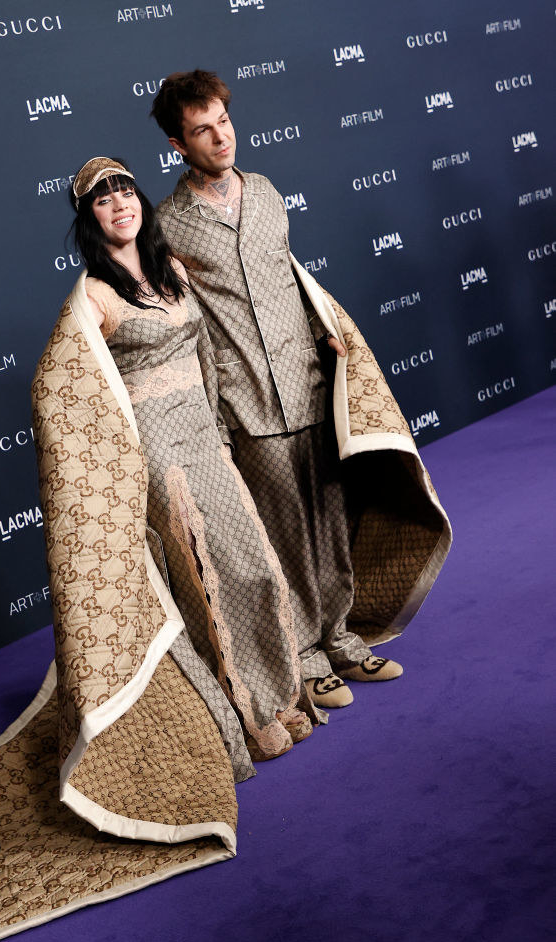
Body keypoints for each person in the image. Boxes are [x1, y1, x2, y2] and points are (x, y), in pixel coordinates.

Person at [152, 71, 407, 710]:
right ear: (179, 145)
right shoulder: (168, 225)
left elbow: (291, 277)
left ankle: (343, 638)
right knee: (284, 535)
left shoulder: (265, 193)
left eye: (224, 121)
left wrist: (326, 334)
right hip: (245, 400)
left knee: (329, 519)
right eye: (201, 131)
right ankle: (305, 656)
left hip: (309, 384)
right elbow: (182, 323)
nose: (220, 137)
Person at [68, 156, 321, 760]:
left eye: (127, 191)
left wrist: (217, 426)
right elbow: (70, 389)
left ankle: (281, 696)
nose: (121, 203)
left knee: (255, 565)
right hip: (157, 451)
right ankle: (244, 720)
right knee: (205, 579)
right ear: (89, 219)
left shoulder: (172, 269)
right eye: (104, 199)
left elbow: (207, 352)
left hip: (205, 436)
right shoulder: (93, 297)